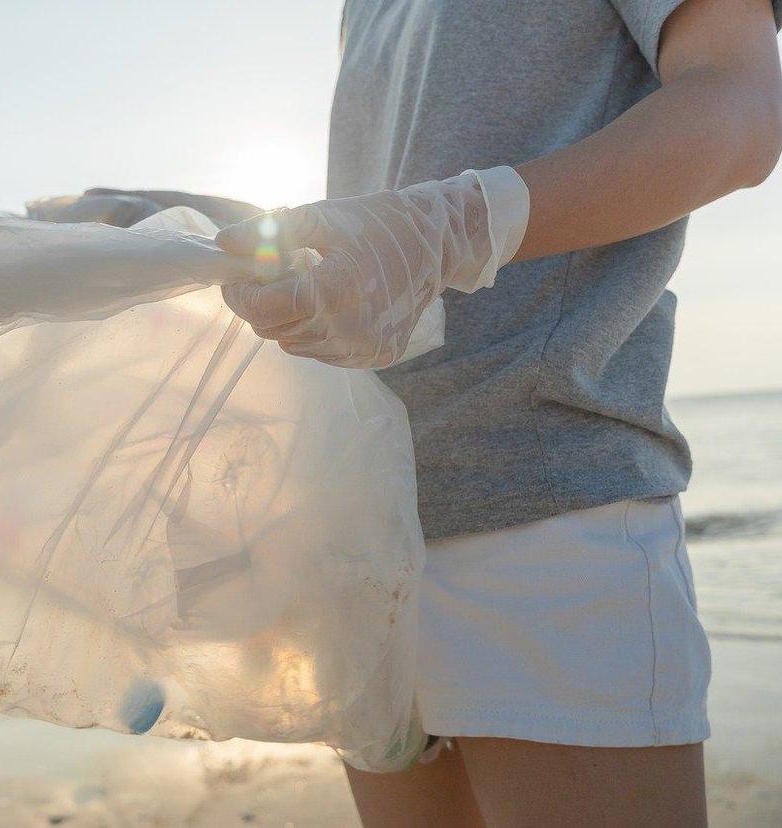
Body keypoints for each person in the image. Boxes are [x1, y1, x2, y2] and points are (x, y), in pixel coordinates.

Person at [215, 0, 782, 824]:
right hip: (366, 526)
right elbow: (387, 214)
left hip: (549, 509)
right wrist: (183, 223)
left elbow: (744, 105)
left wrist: (460, 227)